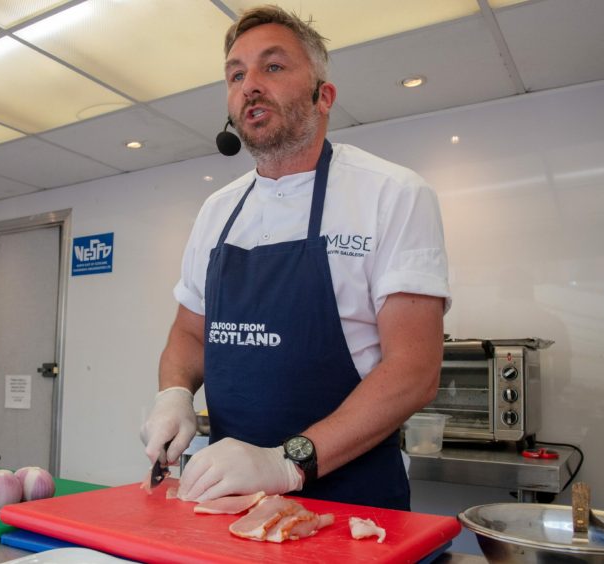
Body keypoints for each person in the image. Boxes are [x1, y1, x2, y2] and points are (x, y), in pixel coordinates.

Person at [140, 4, 450, 510]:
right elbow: (189, 332)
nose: (250, 85)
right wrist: (172, 394)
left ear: (322, 96)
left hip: (353, 507)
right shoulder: (217, 211)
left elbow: (414, 370)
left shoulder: (391, 193)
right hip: (228, 501)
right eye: (236, 74)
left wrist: (289, 462)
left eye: (273, 66)